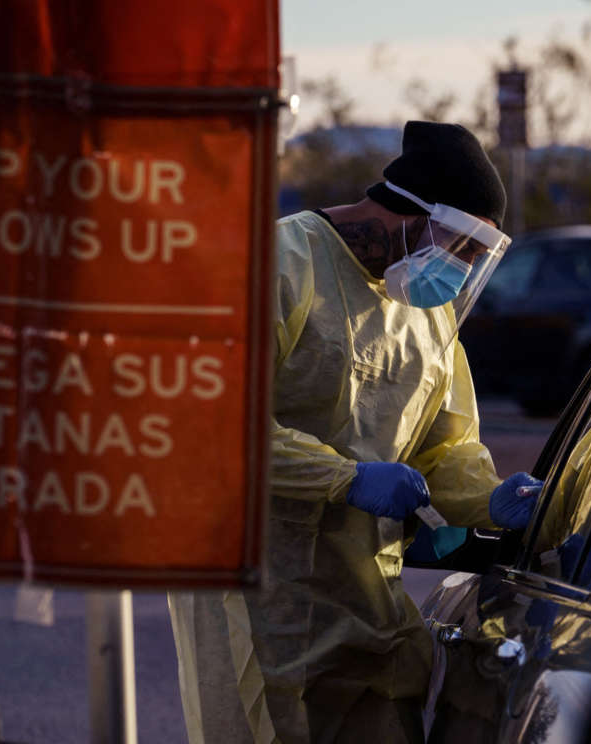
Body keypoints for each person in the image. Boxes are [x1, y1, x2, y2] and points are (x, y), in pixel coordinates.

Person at [169, 121, 542, 744]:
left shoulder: (428, 315)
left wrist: (489, 500)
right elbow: (213, 425)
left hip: (370, 603)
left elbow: (444, 445)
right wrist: (344, 479)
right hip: (261, 598)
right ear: (413, 213)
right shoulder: (275, 266)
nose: (462, 270)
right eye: (463, 247)